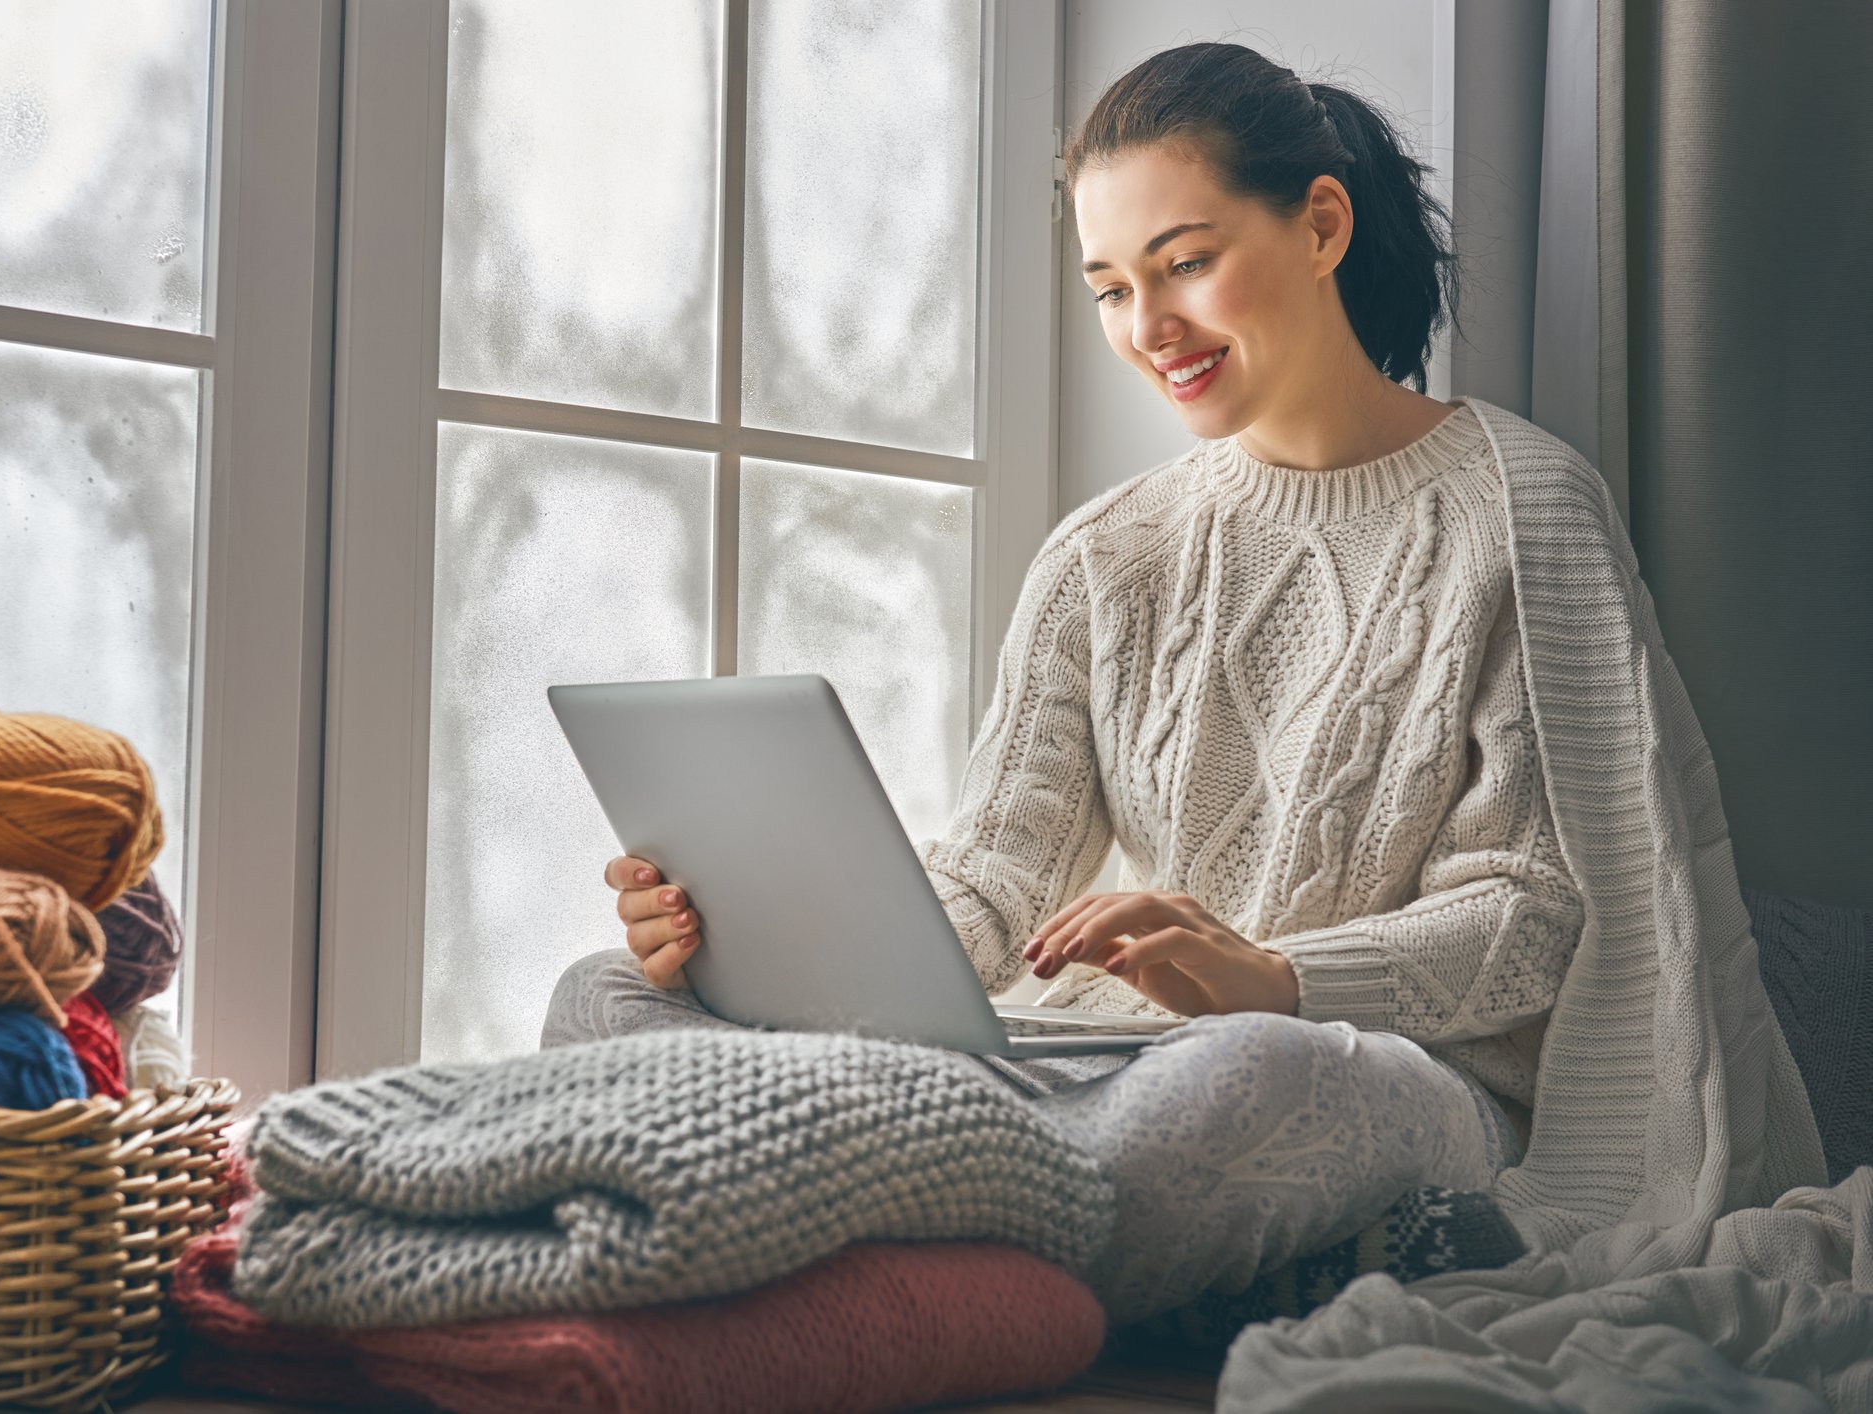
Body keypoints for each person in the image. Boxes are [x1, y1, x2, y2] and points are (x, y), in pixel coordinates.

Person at [539, 41, 1583, 1327]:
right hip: (1093, 1066)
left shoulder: (1520, 510)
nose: (1149, 331)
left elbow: (1533, 918)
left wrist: (1273, 974)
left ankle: (817, 1242)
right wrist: (748, 947)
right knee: (598, 994)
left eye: (1186, 264)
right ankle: (989, 1250)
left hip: (1363, 1074)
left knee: (1243, 1083)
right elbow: (994, 872)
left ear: (1319, 224)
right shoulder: (1107, 550)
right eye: (1109, 288)